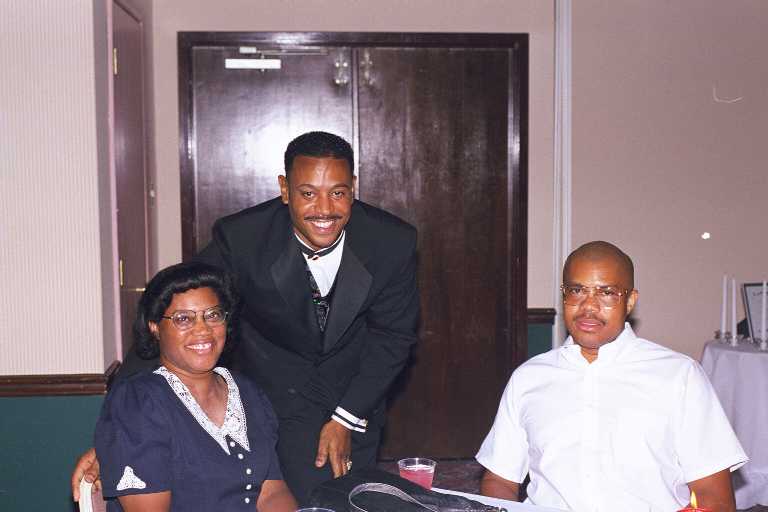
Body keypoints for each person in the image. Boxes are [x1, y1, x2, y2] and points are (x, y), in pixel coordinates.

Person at [73, 131, 419, 504]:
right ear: (284, 190)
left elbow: (393, 337)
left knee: (351, 502)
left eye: (337, 192)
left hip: (354, 398)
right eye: (307, 193)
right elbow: (173, 309)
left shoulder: (391, 241)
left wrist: (346, 418)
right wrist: (115, 434)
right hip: (275, 403)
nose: (324, 209)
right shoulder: (243, 238)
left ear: (353, 187)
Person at [476, 241, 748, 512]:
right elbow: (500, 480)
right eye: (577, 290)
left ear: (629, 301)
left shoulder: (680, 376)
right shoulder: (529, 378)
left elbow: (715, 497)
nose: (588, 306)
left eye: (607, 293)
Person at [93, 261, 297, 511]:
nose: (202, 329)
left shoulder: (248, 393)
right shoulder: (139, 402)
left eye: (213, 315)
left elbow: (271, 491)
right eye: (183, 319)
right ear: (155, 327)